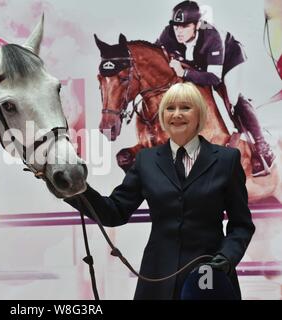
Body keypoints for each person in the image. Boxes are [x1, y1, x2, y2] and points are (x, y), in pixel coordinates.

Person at [65, 82, 255, 300]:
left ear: (199, 113)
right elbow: (115, 211)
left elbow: (241, 225)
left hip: (208, 277)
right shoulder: (146, 160)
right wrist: (72, 188)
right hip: (156, 278)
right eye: (170, 108)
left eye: (185, 107)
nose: (177, 114)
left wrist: (226, 258)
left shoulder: (226, 160)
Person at [155, 0, 275, 177]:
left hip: (229, 61)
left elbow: (213, 78)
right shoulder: (168, 34)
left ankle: (262, 147)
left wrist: (185, 74)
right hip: (197, 64)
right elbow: (154, 57)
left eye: (185, 26)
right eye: (176, 26)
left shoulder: (212, 37)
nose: (179, 31)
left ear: (196, 25)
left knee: (233, 98)